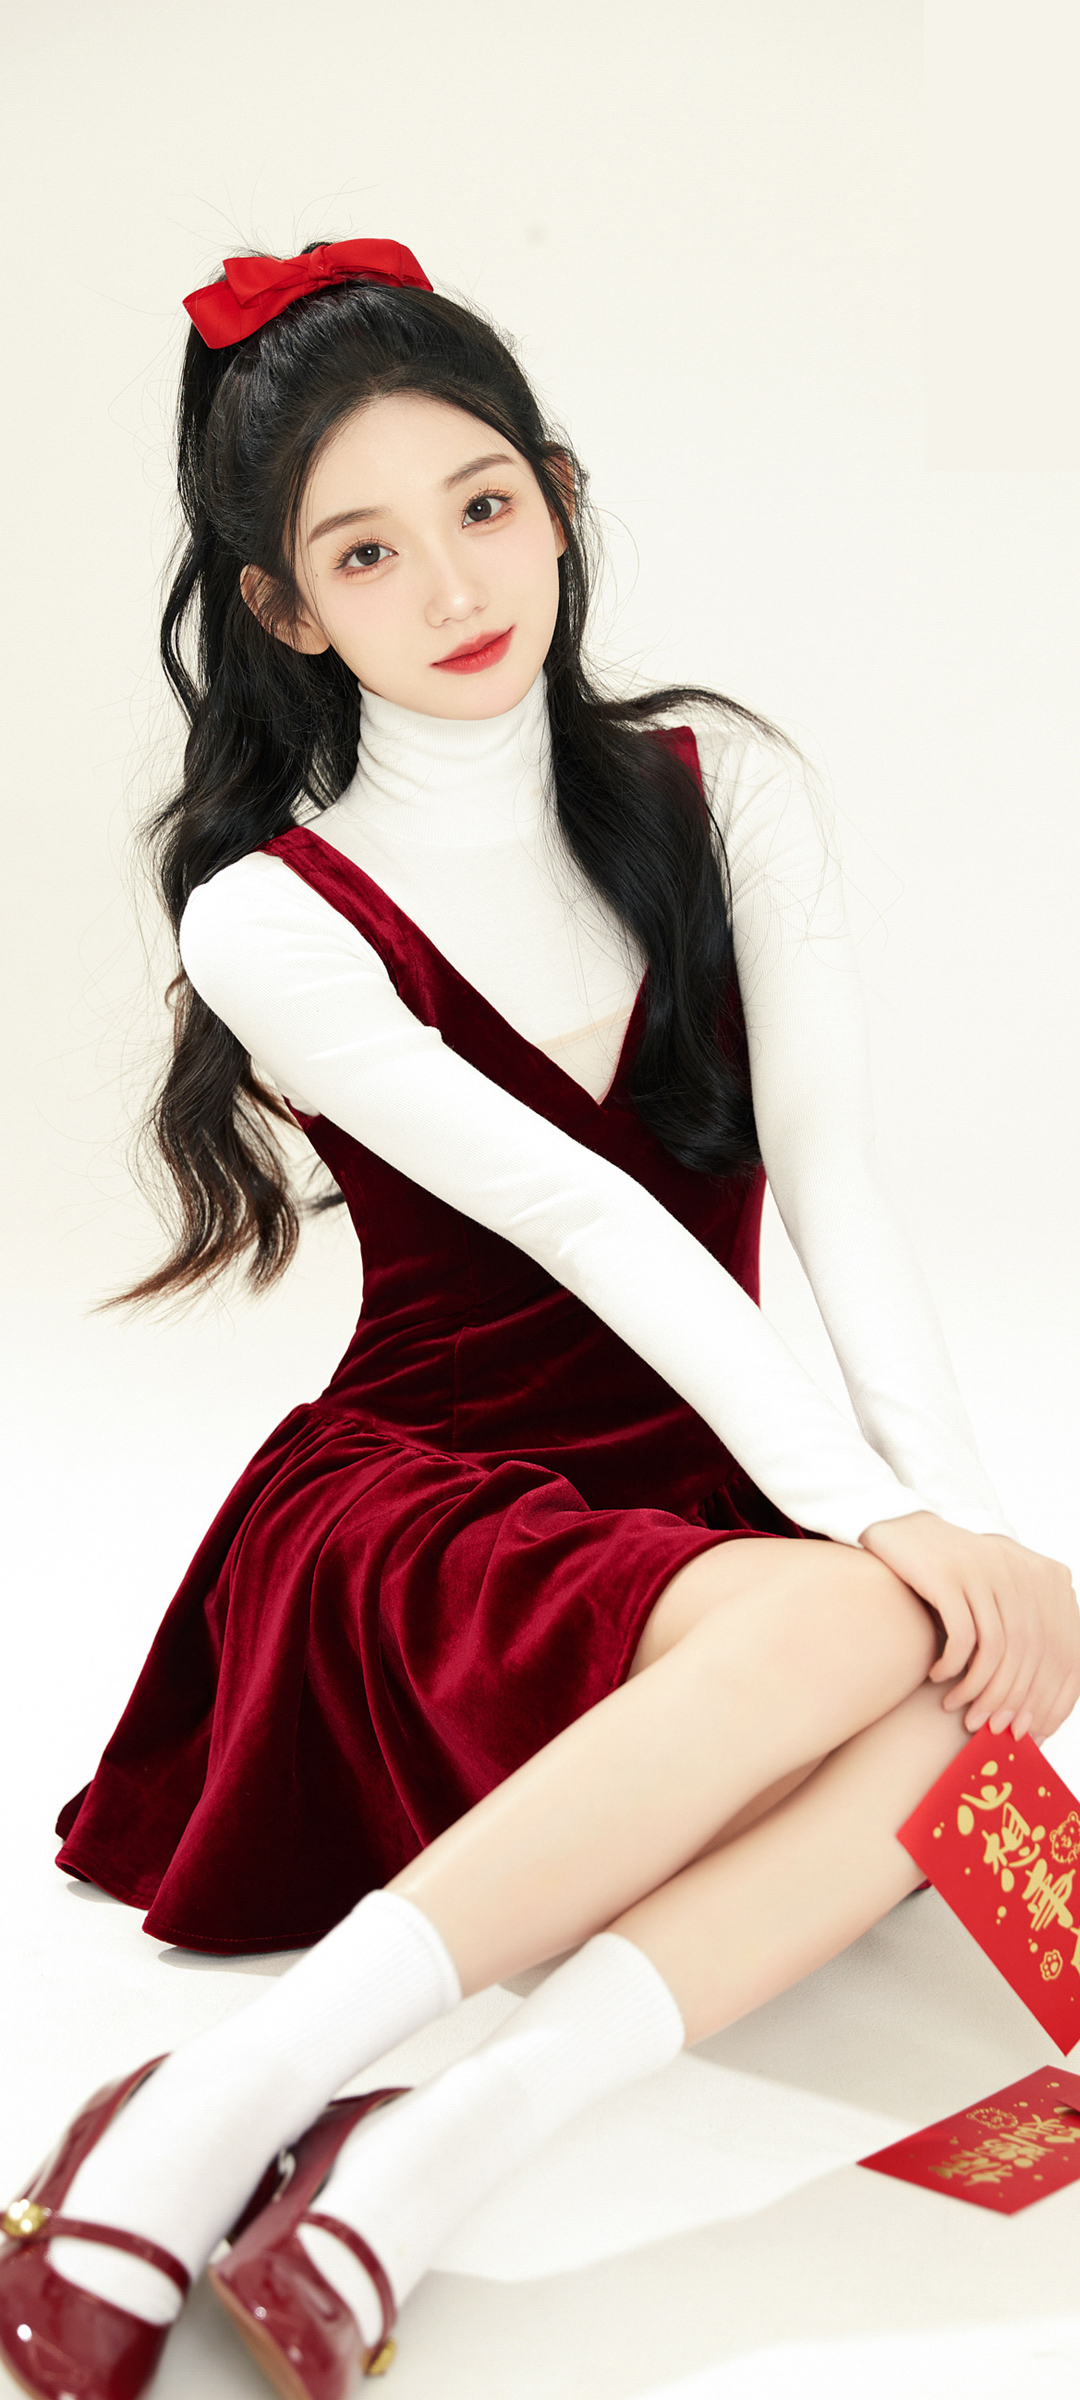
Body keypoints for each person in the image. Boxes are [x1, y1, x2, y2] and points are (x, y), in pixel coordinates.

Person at [2, 237, 1077, 2400]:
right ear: (285, 609)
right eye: (366, 551)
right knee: (865, 1621)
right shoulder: (267, 916)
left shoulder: (720, 787)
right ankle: (209, 2106)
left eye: (484, 503)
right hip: (423, 1520)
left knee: (937, 1661)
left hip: (706, 1503)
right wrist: (885, 1530)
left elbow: (835, 1177)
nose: (454, 584)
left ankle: (434, 2145)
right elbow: (597, 1224)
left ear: (560, 496)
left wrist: (960, 1536)